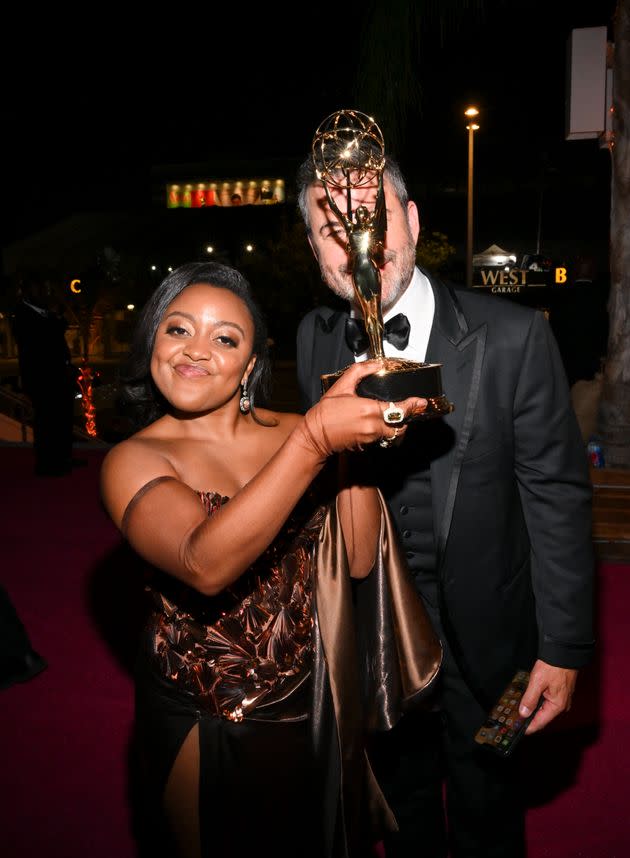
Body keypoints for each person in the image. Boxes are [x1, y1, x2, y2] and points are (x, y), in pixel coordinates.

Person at [295, 144, 595, 857]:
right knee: (399, 810)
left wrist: (564, 645)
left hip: (492, 635)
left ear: (413, 218)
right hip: (377, 634)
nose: (359, 244)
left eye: (371, 216)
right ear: (311, 247)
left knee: (490, 804)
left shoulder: (515, 335)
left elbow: (555, 494)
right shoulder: (313, 340)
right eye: (333, 229)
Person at [100, 261, 440, 858]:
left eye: (224, 338)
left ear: (251, 364)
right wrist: (314, 443)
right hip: (207, 713)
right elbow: (203, 564)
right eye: (177, 329)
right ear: (152, 341)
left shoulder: (296, 431)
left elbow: (359, 560)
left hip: (313, 704)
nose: (195, 351)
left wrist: (349, 452)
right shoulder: (133, 459)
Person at [11, 277, 79, 476]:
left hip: (59, 377)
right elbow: (43, 339)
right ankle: (47, 464)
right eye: (40, 289)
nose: (45, 293)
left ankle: (64, 458)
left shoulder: (43, 311)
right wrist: (54, 319)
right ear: (28, 291)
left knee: (63, 421)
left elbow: (60, 327)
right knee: (46, 424)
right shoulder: (23, 314)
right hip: (43, 380)